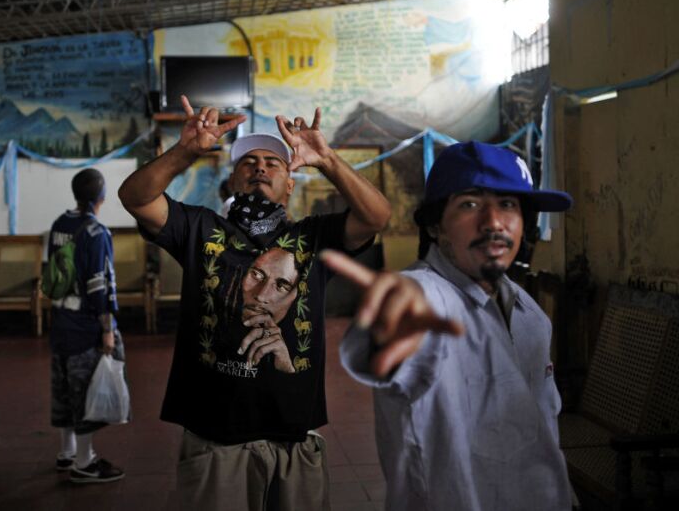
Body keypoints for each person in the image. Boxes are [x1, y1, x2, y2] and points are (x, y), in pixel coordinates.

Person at [118, 96, 391, 510]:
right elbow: (135, 198)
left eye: (273, 162)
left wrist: (328, 160)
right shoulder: (199, 229)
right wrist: (184, 152)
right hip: (216, 439)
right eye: (248, 162)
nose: (259, 167)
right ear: (233, 181)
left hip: (294, 436)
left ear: (290, 184)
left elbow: (376, 217)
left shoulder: (313, 238)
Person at [325, 140, 574, 511]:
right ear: (435, 226)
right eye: (470, 205)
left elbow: (544, 423)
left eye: (508, 205)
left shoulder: (530, 315)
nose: (494, 222)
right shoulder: (427, 297)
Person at [47, 168, 126, 484]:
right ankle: (84, 462)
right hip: (84, 324)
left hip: (60, 320)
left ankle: (66, 452)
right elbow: (99, 284)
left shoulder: (59, 225)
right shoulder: (97, 232)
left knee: (63, 388)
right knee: (83, 391)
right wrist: (107, 329)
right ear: (101, 196)